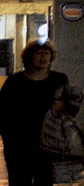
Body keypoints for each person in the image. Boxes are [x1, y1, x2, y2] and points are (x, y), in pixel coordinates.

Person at [0, 38, 69, 185]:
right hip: (19, 145)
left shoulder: (59, 80)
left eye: (46, 53)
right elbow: (3, 110)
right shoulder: (15, 81)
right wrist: (8, 137)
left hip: (48, 144)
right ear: (29, 57)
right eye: (38, 53)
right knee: (19, 181)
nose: (43, 57)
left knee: (45, 181)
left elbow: (69, 109)